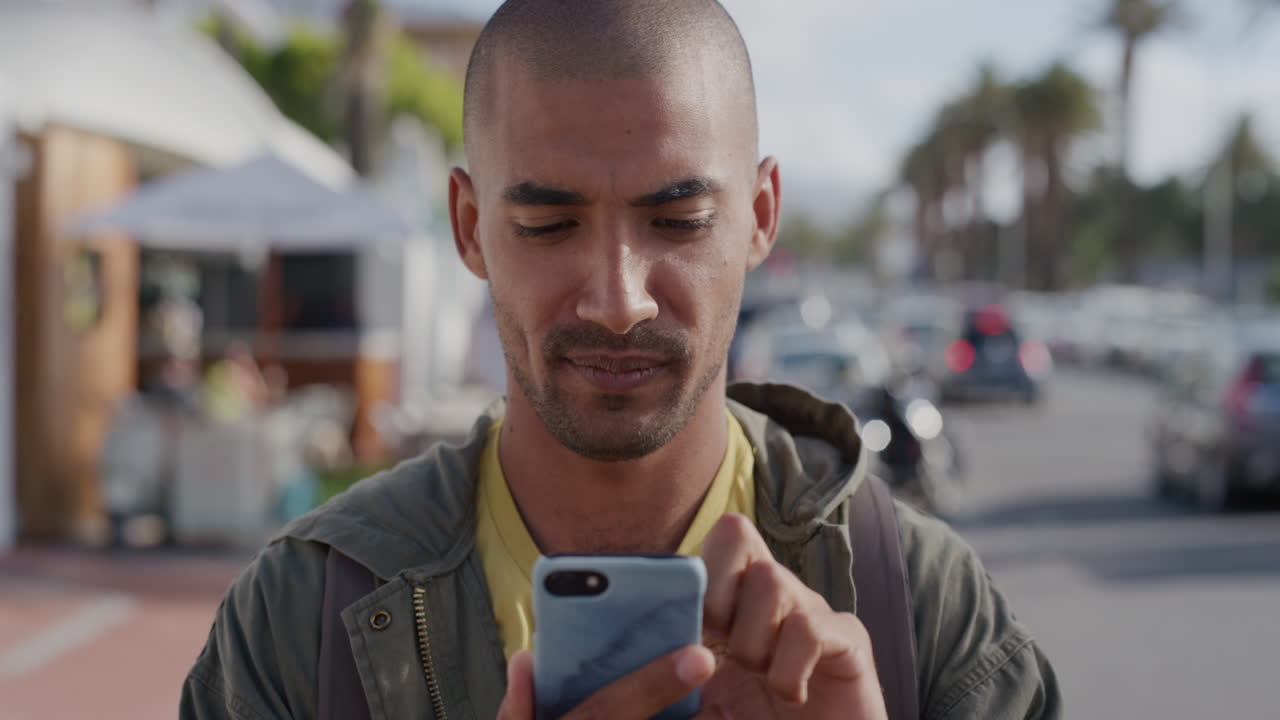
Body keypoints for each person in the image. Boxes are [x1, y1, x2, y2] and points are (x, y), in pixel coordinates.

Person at [181, 2, 1061, 718]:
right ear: (468, 227)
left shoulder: (921, 606)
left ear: (760, 216)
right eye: (546, 225)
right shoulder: (299, 621)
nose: (618, 298)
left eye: (678, 222)